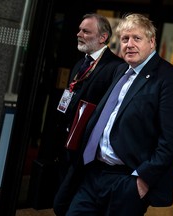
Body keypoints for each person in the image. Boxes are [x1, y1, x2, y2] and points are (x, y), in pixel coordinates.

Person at [53, 13, 173, 216]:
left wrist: (142, 179)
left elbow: (172, 139)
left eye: (137, 38)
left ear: (152, 41)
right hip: (94, 173)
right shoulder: (121, 71)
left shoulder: (170, 78)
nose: (129, 44)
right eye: (125, 39)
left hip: (126, 180)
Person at [39, 13, 124, 184]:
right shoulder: (80, 64)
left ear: (103, 37)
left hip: (87, 147)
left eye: (86, 31)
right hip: (65, 141)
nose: (79, 34)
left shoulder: (116, 67)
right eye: (79, 30)